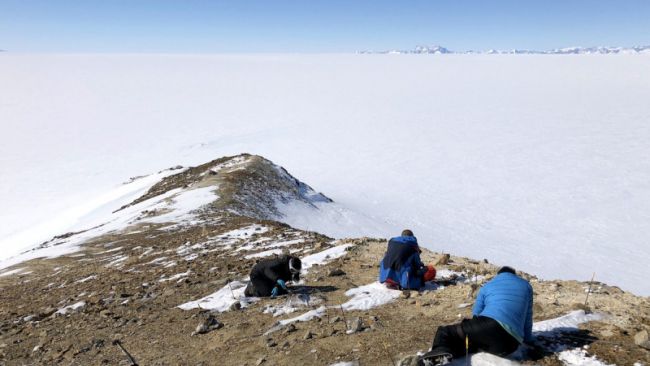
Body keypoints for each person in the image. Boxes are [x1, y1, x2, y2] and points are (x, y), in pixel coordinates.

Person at [418, 266, 534, 365]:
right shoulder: (526, 286)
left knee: (445, 332)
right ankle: (448, 354)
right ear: (513, 275)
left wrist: (473, 326)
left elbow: (476, 313)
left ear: (499, 275)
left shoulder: (489, 285)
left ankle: (437, 354)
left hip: (491, 325)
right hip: (511, 344)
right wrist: (528, 340)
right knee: (471, 342)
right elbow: (528, 316)